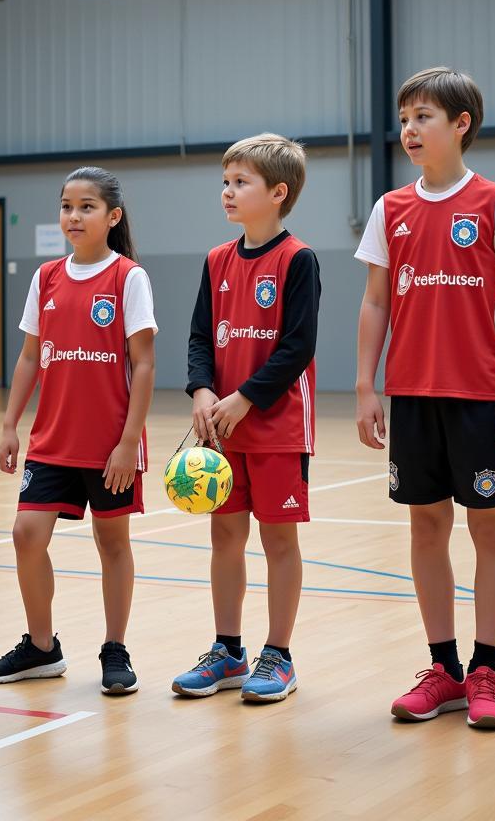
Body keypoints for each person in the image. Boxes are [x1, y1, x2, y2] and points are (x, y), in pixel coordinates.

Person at [354, 66, 495, 729]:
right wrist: (366, 386)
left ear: (461, 125)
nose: (409, 129)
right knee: (425, 526)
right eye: (404, 118)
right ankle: (446, 670)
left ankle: (487, 671)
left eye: (424, 116)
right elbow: (376, 300)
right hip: (411, 397)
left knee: (489, 526)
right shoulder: (390, 210)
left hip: (478, 399)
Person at [0, 166, 157, 695]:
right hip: (52, 440)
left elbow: (143, 364)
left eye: (86, 207)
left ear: (112, 216)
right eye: (66, 206)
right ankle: (40, 646)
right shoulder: (46, 278)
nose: (73, 217)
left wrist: (128, 442)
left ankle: (115, 648)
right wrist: (10, 425)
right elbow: (31, 356)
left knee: (112, 542)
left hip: (109, 444)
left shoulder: (129, 278)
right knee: (25, 536)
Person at [172, 134, 320, 703]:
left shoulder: (297, 260)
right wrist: (203, 390)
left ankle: (278, 656)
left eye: (241, 182)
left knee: (278, 542)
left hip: (277, 428)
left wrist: (245, 399)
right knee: (224, 537)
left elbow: (297, 347)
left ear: (278, 193)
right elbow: (198, 338)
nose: (228, 192)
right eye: (225, 182)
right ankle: (228, 652)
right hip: (220, 427)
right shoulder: (216, 261)